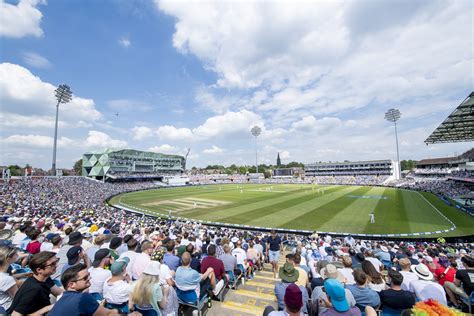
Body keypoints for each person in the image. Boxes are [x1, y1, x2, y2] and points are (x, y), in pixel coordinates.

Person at [49, 263, 118, 315]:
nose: (89, 278)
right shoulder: (83, 297)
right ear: (71, 285)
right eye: (85, 278)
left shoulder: (62, 298)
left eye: (88, 275)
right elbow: (108, 314)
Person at [0, 246, 18, 310]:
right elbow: (17, 298)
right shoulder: (6, 279)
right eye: (15, 254)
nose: (17, 255)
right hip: (9, 308)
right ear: (8, 259)